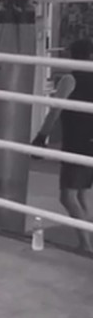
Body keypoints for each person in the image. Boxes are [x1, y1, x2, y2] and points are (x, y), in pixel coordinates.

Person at [32, 38, 93, 253]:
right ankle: (86, 241)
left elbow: (55, 111)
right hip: (89, 142)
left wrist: (41, 137)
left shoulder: (70, 79)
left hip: (77, 143)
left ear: (71, 56)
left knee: (67, 196)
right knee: (81, 194)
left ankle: (86, 244)